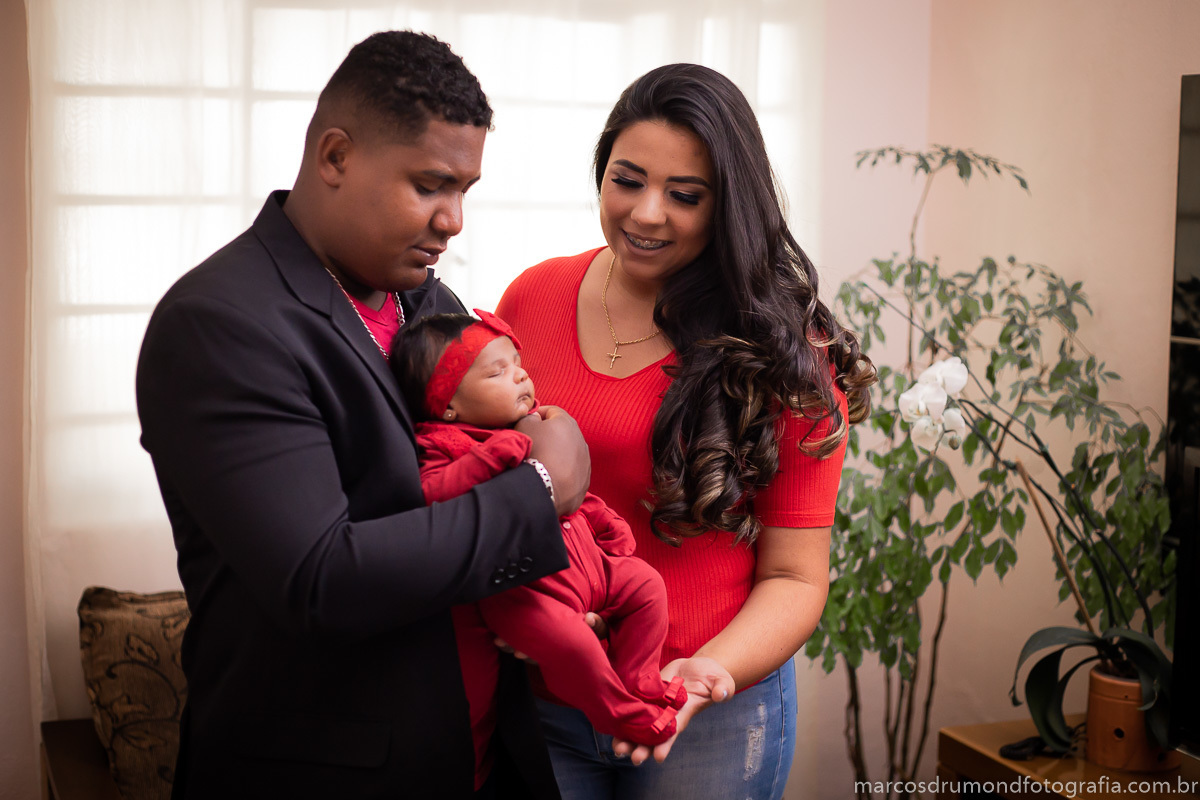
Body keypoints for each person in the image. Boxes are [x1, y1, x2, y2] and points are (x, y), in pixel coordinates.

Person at [135, 31, 590, 800]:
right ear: (336, 156)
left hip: (484, 757)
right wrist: (541, 489)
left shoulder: (430, 301)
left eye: (465, 191)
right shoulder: (219, 323)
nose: (453, 221)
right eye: (430, 185)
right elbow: (322, 578)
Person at [495, 63, 877, 800]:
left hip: (709, 716)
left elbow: (795, 577)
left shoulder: (782, 351)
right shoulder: (532, 294)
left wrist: (707, 677)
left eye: (684, 195)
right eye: (626, 179)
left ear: (729, 204)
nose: (645, 213)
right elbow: (494, 481)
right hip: (544, 697)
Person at [389, 309, 688, 792]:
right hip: (524, 592)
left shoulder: (530, 427)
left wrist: (603, 521)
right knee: (569, 642)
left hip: (590, 567)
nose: (521, 375)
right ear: (448, 406)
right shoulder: (443, 443)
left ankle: (642, 679)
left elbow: (577, 497)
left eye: (517, 362)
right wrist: (492, 457)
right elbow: (431, 494)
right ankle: (618, 711)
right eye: (497, 372)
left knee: (648, 586)